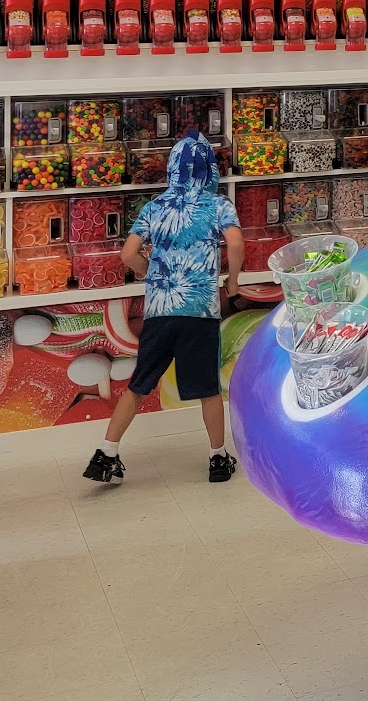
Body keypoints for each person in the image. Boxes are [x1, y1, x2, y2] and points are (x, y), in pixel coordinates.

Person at [84, 130, 242, 486]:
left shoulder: (155, 206)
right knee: (208, 390)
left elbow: (128, 254)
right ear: (210, 170)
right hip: (200, 312)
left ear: (171, 168)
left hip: (160, 311)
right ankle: (218, 458)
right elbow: (235, 243)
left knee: (138, 385)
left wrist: (150, 272)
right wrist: (232, 282)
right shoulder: (218, 205)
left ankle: (106, 453)